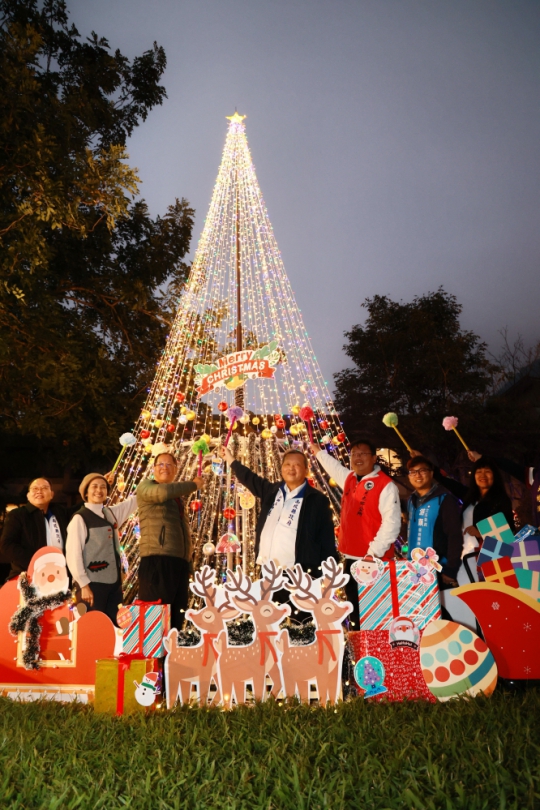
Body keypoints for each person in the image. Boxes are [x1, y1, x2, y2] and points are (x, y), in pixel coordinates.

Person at [220, 445, 338, 619]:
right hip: (268, 573)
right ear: (281, 468)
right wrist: (230, 459)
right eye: (287, 464)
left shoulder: (317, 500)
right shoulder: (272, 491)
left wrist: (328, 575)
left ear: (306, 470)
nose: (291, 468)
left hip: (299, 575)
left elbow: (327, 539)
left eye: (297, 465)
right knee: (269, 623)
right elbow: (250, 478)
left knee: (300, 625)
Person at [310, 438, 401, 627]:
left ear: (374, 458)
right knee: (356, 612)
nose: (358, 458)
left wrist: (372, 554)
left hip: (375, 561)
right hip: (351, 558)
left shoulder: (386, 485)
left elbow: (391, 525)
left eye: (363, 454)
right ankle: (360, 652)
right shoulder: (350, 479)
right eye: (354, 455)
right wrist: (318, 452)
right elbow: (334, 467)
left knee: (376, 614)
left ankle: (378, 652)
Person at [136, 452, 204, 630]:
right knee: (155, 616)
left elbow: (185, 531)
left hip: (178, 562)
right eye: (160, 464)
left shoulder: (177, 498)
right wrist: (193, 485)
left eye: (169, 465)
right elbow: (162, 493)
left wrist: (188, 564)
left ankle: (170, 656)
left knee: (176, 615)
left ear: (175, 470)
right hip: (156, 559)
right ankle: (153, 657)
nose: (164, 468)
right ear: (154, 469)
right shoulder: (146, 487)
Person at [65, 473, 137, 625]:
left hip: (114, 584)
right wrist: (83, 584)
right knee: (93, 626)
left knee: (115, 626)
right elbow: (73, 554)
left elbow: (133, 502)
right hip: (91, 584)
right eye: (94, 487)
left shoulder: (110, 513)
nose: (99, 490)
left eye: (103, 487)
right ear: (85, 492)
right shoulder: (80, 518)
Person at [406, 456, 463, 588]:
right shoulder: (411, 500)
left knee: (440, 608)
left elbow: (454, 535)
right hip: (414, 569)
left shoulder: (444, 499)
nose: (417, 475)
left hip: (438, 568)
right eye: (413, 472)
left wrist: (451, 569)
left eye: (422, 470)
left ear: (431, 473)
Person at [0, 478, 69, 581]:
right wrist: (36, 562)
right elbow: (6, 545)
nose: (39, 491)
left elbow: (84, 506)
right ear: (28, 495)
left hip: (59, 576)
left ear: (52, 494)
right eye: (35, 488)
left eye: (44, 488)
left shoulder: (60, 513)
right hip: (28, 576)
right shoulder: (18, 515)